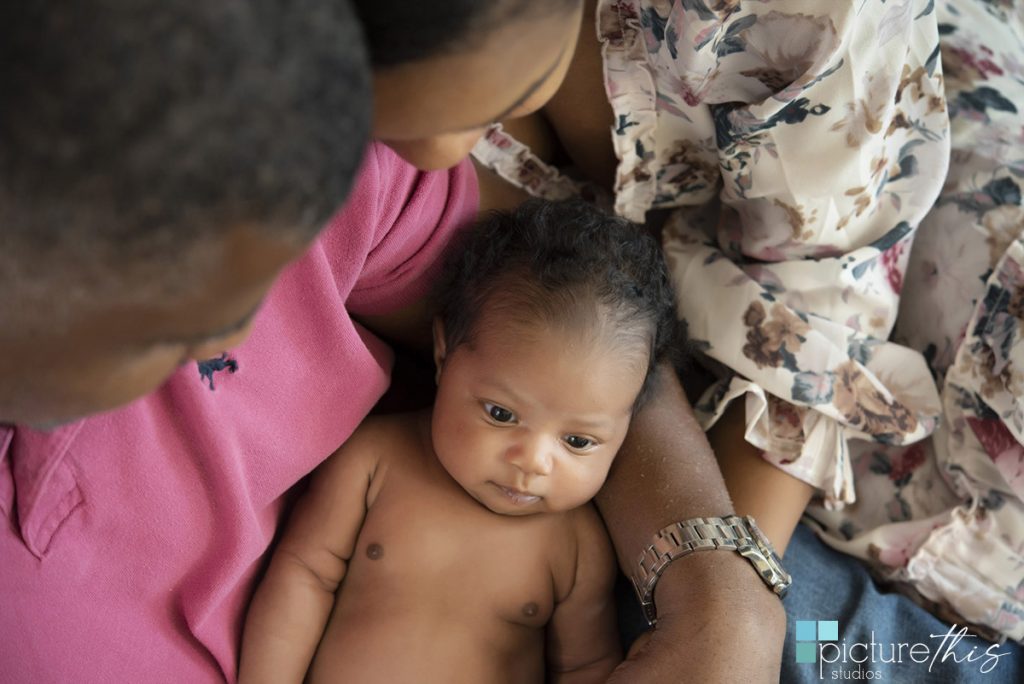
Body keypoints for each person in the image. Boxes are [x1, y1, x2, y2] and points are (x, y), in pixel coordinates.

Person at [1, 1, 783, 682]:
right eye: (164, 318)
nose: (236, 332)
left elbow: (584, 320)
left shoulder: (279, 147)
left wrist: (715, 581)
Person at [471, 0, 1024, 678]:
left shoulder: (822, 26)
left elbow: (822, 296)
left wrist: (726, 594)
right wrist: (720, 591)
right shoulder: (417, 142)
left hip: (918, 563)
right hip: (790, 477)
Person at [239, 199, 678, 683]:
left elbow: (583, 665)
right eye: (501, 414)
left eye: (578, 441)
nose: (532, 461)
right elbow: (305, 575)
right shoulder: (376, 460)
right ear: (444, 353)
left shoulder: (577, 544)